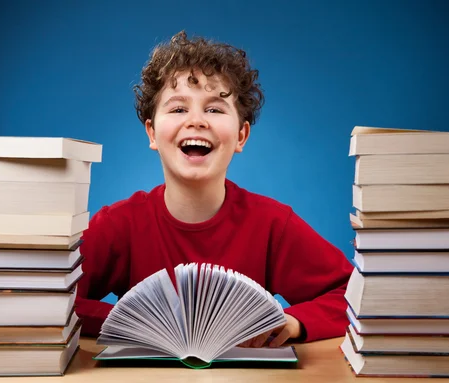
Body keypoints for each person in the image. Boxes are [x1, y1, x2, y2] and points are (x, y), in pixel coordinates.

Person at [76, 30, 353, 348]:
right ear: (152, 133)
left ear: (241, 136)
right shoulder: (119, 224)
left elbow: (352, 292)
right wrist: (128, 323)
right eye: (178, 109)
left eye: (215, 109)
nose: (196, 121)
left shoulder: (272, 224)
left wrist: (294, 322)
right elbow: (55, 297)